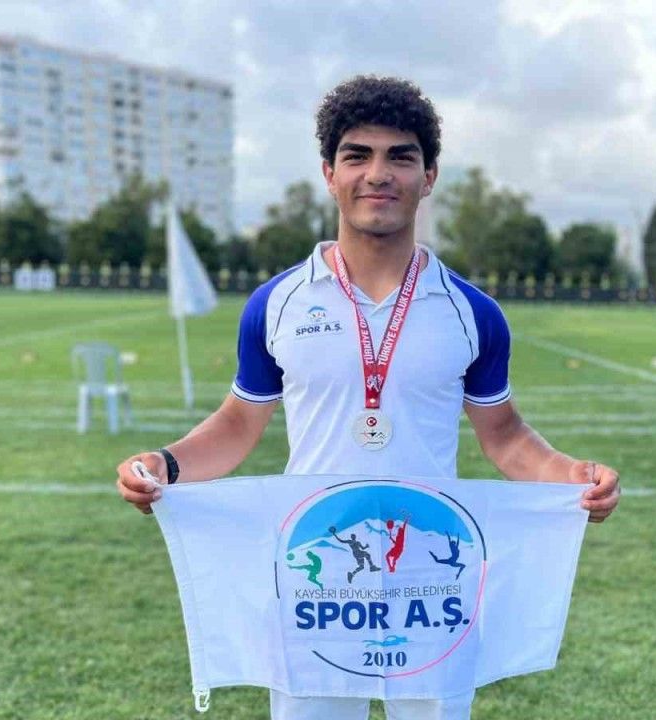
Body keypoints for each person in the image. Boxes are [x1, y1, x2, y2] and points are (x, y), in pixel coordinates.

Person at [116, 74, 620, 720]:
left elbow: (506, 437)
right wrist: (166, 463)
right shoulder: (277, 304)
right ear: (330, 173)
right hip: (316, 574)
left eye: (400, 157)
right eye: (357, 155)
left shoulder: (473, 313)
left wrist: (571, 476)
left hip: (432, 580)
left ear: (428, 176)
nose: (378, 174)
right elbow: (239, 423)